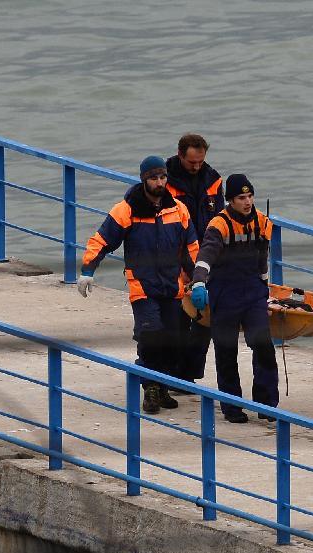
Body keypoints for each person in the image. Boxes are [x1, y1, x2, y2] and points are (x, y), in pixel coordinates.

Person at [77, 156, 199, 414]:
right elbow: (102, 240)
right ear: (144, 179)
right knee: (151, 334)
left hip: (172, 285)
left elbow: (191, 248)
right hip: (142, 286)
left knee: (173, 339)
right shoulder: (126, 210)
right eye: (154, 178)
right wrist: (88, 269)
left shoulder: (178, 210)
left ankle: (162, 385)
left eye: (163, 177)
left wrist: (198, 279)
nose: (159, 182)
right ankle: (150, 388)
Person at [189, 174, 279, 424]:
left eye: (250, 196)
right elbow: (206, 256)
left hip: (252, 293)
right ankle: (232, 406)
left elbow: (263, 258)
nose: (248, 201)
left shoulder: (262, 222)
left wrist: (265, 290)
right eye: (241, 198)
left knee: (263, 345)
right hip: (224, 293)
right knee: (226, 351)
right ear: (230, 200)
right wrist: (198, 283)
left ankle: (267, 404)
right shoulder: (219, 225)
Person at [165, 133, 225, 393]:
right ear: (180, 155)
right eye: (192, 162)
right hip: (175, 259)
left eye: (201, 161)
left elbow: (221, 220)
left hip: (206, 258)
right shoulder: (164, 182)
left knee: (204, 320)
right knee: (177, 319)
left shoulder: (213, 180)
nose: (197, 166)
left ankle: (189, 376)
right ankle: (173, 374)